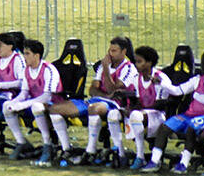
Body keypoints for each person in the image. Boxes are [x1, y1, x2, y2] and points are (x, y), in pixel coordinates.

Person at [45, 36, 138, 166]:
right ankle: (67, 148)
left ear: (124, 52)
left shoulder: (129, 68)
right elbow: (92, 89)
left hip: (116, 104)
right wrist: (107, 94)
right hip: (97, 100)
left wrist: (106, 68)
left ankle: (90, 151)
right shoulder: (102, 66)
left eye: (114, 51)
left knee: (93, 109)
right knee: (54, 109)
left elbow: (113, 88)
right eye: (110, 50)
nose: (110, 53)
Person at [140, 49, 204, 173]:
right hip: (189, 115)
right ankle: (154, 161)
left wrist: (196, 95)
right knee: (165, 127)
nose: (202, 66)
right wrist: (162, 83)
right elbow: (177, 91)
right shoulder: (198, 79)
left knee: (192, 128)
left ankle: (184, 164)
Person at [2, 38, 61, 161]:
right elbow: (24, 93)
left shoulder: (48, 69)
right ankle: (21, 141)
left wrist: (23, 105)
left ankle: (47, 144)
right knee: (6, 105)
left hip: (52, 104)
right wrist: (14, 103)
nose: (24, 56)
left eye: (27, 54)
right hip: (33, 103)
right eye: (24, 53)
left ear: (36, 55)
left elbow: (47, 96)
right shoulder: (26, 70)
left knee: (37, 107)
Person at [124, 45, 179, 170]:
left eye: (140, 62)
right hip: (144, 115)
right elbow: (139, 101)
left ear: (149, 63)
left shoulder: (160, 78)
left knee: (136, 116)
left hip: (158, 115)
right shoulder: (136, 79)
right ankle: (140, 155)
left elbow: (162, 103)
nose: (137, 65)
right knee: (131, 115)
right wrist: (131, 108)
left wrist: (139, 111)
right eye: (136, 61)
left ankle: (140, 156)